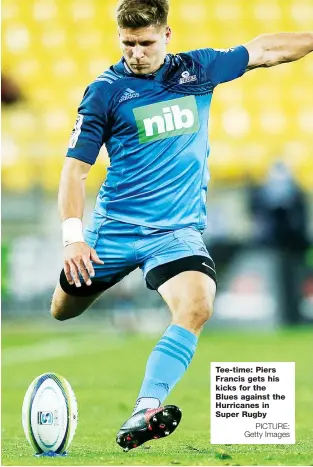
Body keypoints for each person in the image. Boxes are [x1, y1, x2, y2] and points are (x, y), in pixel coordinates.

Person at [50, 0, 313, 451]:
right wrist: (74, 239)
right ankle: (86, 284)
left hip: (175, 234)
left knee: (197, 306)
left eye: (146, 42)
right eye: (128, 43)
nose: (137, 52)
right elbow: (74, 170)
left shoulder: (198, 71)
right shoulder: (104, 92)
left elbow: (265, 50)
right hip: (112, 232)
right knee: (63, 310)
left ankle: (145, 408)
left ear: (166, 36)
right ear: (119, 38)